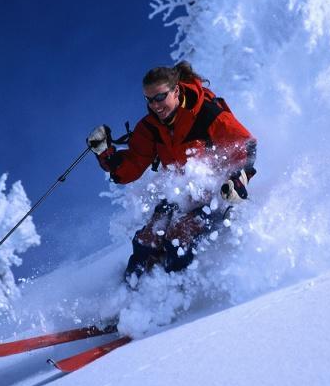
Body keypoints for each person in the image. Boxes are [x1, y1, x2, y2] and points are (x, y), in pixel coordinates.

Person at [87, 61, 256, 287]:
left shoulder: (207, 113)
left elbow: (244, 146)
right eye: (149, 99)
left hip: (217, 195)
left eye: (160, 97)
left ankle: (172, 298)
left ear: (176, 91)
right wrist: (104, 153)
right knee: (147, 239)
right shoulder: (150, 128)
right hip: (181, 196)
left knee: (179, 235)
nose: (155, 105)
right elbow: (132, 166)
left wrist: (238, 179)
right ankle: (127, 300)